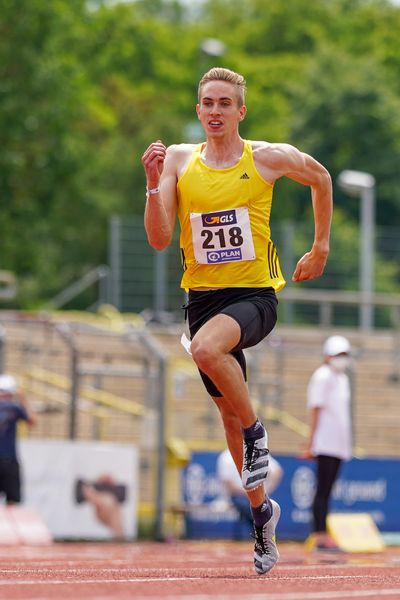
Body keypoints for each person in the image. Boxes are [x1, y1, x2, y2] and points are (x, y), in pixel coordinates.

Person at [142, 67, 332, 574]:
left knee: (205, 350)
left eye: (226, 103)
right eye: (208, 103)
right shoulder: (178, 161)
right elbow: (160, 238)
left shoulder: (266, 158)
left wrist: (320, 246)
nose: (216, 111)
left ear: (240, 111)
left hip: (253, 297)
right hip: (201, 300)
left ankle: (256, 435)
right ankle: (262, 514)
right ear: (198, 109)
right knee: (224, 414)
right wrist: (149, 185)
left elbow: (321, 178)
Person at [301, 335, 352, 551]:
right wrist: (310, 442)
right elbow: (315, 409)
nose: (342, 359)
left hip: (339, 443)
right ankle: (319, 533)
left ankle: (323, 531)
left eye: (345, 355)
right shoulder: (322, 376)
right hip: (324, 441)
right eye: (339, 354)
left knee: (328, 489)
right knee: (322, 490)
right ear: (328, 355)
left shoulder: (343, 379)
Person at [217, 448, 283, 535]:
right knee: (249, 507)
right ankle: (261, 534)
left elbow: (277, 471)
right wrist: (249, 493)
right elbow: (228, 484)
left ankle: (267, 535)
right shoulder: (226, 457)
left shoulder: (257, 450)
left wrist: (266, 490)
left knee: (267, 506)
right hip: (238, 495)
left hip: (259, 493)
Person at [0, 374, 35, 504]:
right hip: (9, 460)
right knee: (12, 501)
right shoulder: (14, 408)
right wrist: (23, 399)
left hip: (9, 459)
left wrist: (23, 400)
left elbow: (32, 421)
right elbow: (32, 421)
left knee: (12, 500)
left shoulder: (14, 409)